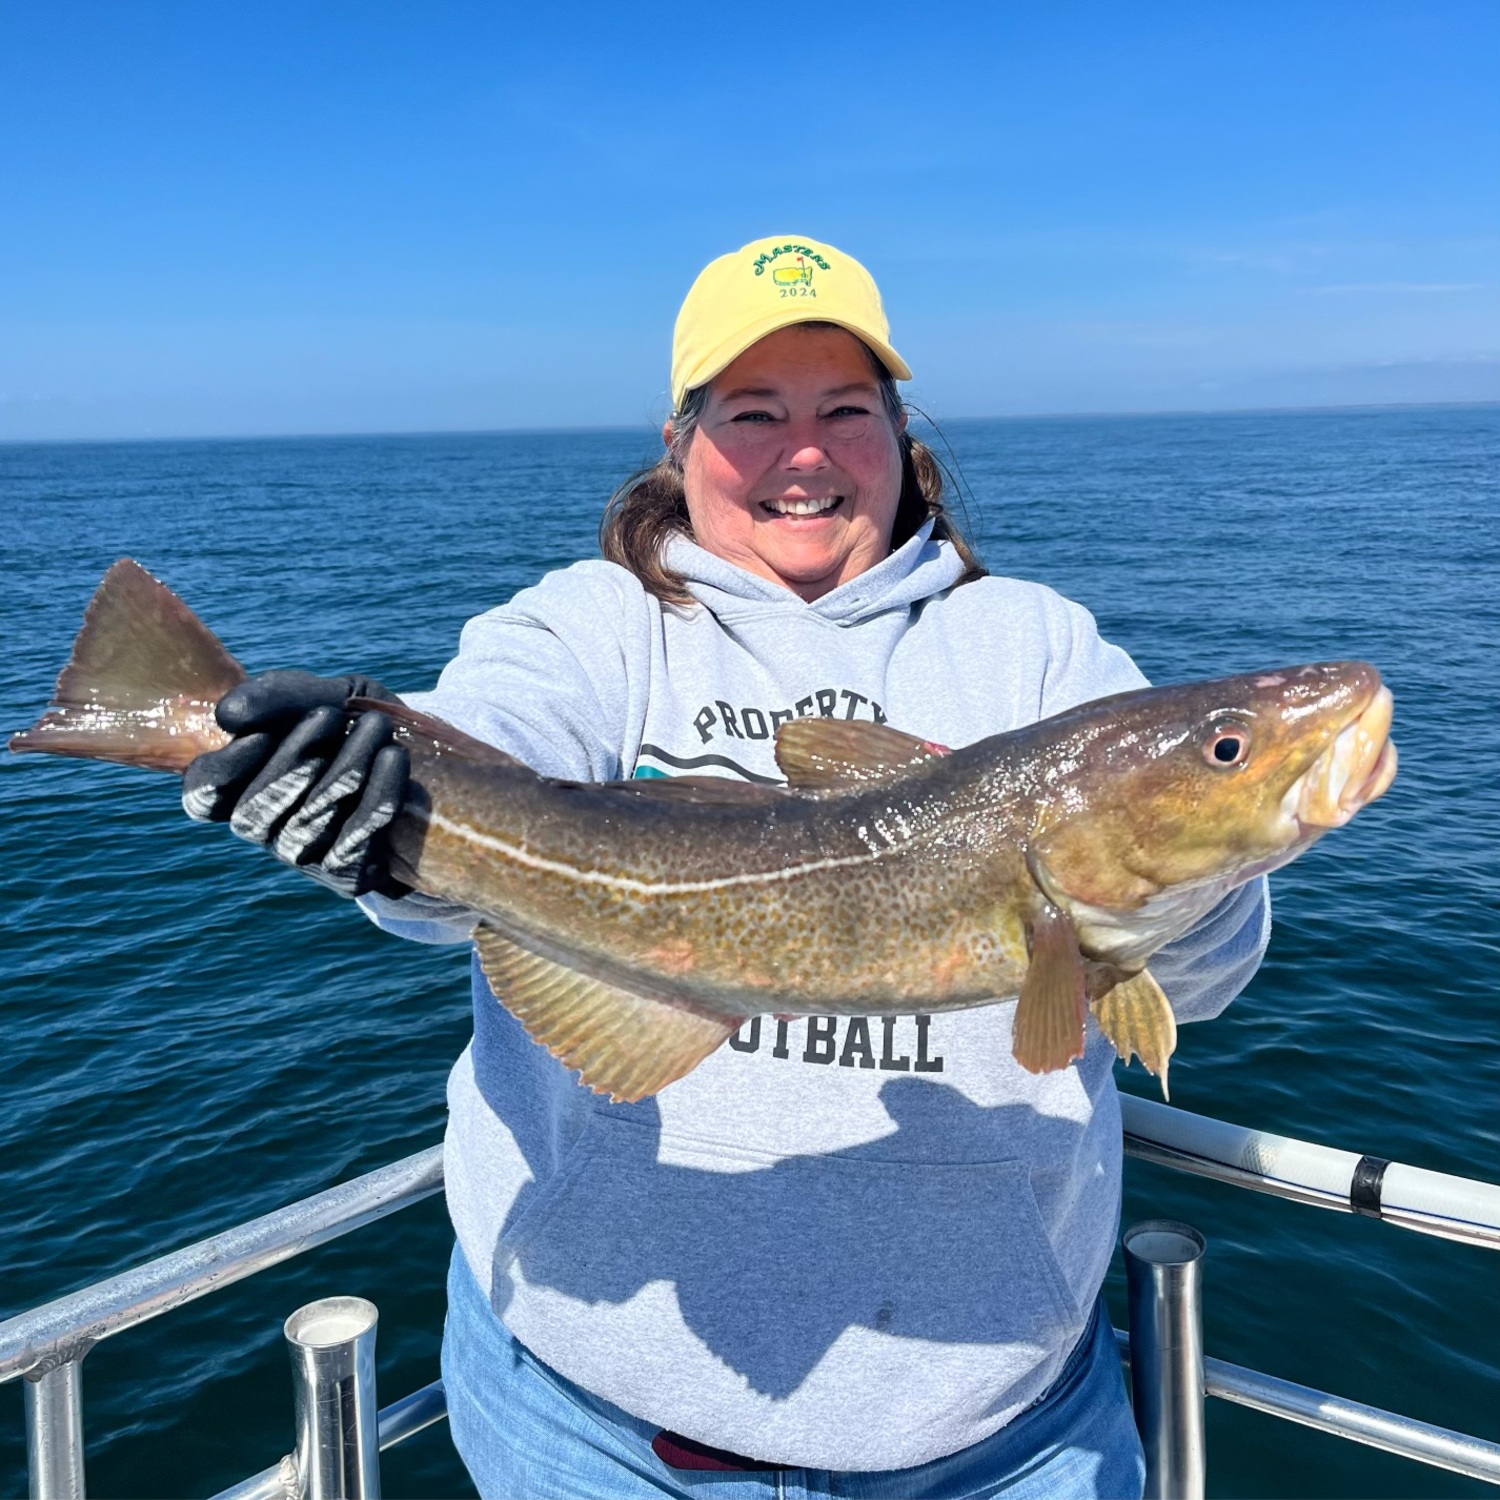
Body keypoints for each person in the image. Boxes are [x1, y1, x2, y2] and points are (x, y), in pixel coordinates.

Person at [183, 235, 1269, 1498]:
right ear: (681, 442)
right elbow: (482, 781)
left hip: (1002, 1432)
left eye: (844, 411)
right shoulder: (587, 630)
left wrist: (1194, 872)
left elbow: (1201, 981)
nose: (802, 452)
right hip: (593, 1428)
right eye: (754, 413)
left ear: (900, 435)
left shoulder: (1038, 649)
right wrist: (369, 811)